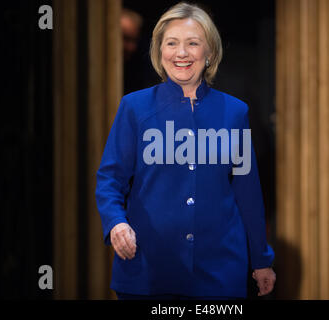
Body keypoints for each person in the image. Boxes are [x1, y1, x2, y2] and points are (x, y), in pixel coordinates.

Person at [96, 2, 276, 300]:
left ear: (210, 53)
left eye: (193, 43)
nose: (181, 53)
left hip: (219, 273)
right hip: (147, 270)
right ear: (159, 51)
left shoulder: (235, 113)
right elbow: (110, 180)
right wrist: (116, 222)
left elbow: (247, 193)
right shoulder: (134, 108)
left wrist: (261, 260)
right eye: (172, 43)